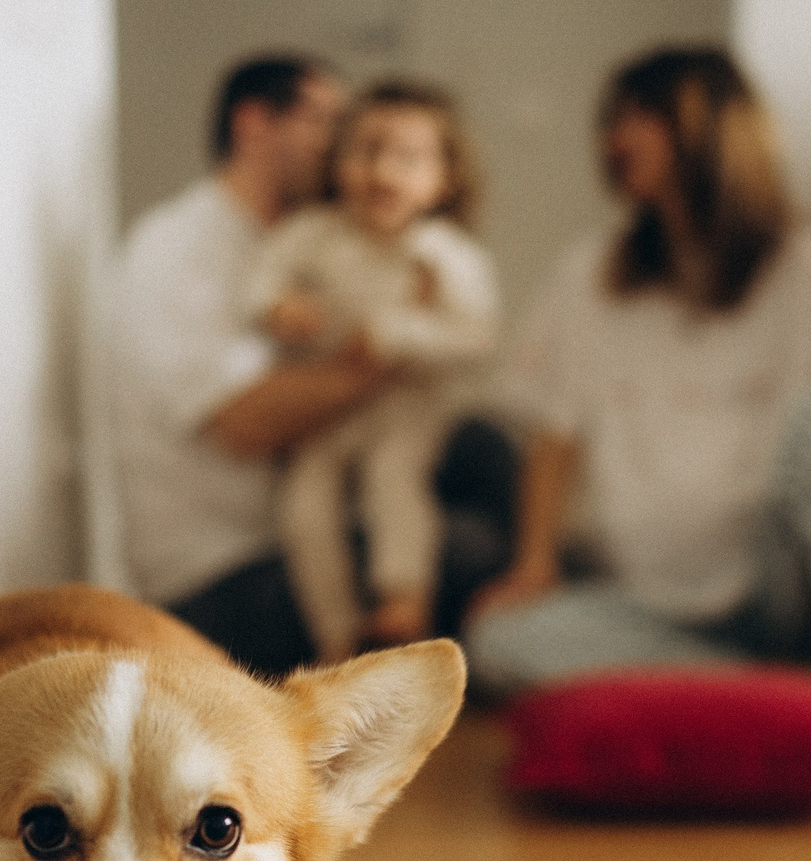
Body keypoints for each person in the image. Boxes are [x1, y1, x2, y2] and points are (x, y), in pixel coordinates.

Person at [465, 46, 811, 784]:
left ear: (709, 128)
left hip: (786, 577)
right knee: (498, 636)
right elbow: (553, 435)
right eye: (610, 120)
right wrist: (534, 562)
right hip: (650, 601)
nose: (613, 138)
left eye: (638, 115)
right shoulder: (588, 272)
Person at [108, 55, 515, 675]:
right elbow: (246, 425)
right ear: (253, 125)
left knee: (486, 448)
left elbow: (473, 333)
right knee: (473, 544)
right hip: (223, 573)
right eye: (330, 122)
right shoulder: (178, 248)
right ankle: (363, 648)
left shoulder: (300, 236)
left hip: (315, 491)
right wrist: (387, 342)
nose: (348, 148)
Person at [245, 80, 499, 662]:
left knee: (394, 478)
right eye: (366, 151)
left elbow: (477, 337)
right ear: (337, 163)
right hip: (330, 410)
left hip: (405, 408)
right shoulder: (314, 234)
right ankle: (334, 636)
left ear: (443, 179)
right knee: (303, 506)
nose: (382, 171)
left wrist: (394, 335)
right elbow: (259, 282)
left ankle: (404, 595)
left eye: (407, 158)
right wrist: (277, 306)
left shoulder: (444, 252)